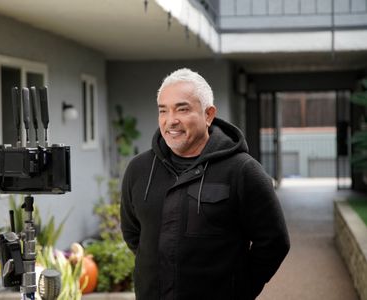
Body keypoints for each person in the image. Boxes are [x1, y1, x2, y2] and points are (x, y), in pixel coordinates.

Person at [120, 68, 290, 300]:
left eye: (182, 109)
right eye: (163, 111)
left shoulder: (242, 171)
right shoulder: (139, 169)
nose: (171, 120)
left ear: (208, 115)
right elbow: (134, 234)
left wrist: (240, 289)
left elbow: (273, 242)